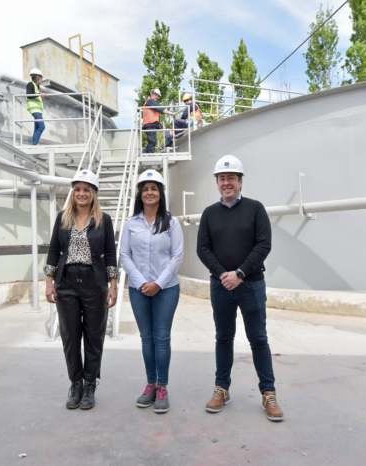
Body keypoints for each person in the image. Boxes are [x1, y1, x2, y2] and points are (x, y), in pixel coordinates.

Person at [196, 155, 284, 422]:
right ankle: (222, 389)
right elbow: (202, 248)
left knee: (258, 338)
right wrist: (224, 274)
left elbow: (263, 245)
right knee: (223, 337)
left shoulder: (256, 209)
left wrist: (241, 273)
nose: (226, 183)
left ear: (240, 181)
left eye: (231, 178)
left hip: (252, 284)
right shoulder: (210, 213)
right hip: (221, 285)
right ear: (218, 182)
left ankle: (268, 393)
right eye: (222, 179)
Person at [45, 169, 119, 410]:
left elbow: (109, 254)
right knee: (70, 336)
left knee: (94, 336)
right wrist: (49, 281)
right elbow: (54, 251)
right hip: (66, 282)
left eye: (87, 189)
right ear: (73, 192)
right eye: (77, 189)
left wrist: (114, 285)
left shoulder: (103, 220)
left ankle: (90, 383)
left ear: (94, 193)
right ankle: (75, 383)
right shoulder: (62, 218)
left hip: (94, 282)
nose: (81, 193)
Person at [120, 170, 183, 414]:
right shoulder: (131, 223)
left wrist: (158, 282)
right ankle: (151, 385)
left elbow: (177, 257)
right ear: (140, 194)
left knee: (162, 337)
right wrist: (140, 281)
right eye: (145, 188)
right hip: (138, 289)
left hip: (166, 289)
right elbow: (125, 255)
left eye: (154, 188)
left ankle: (163, 387)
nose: (149, 193)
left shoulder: (171, 222)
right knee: (146, 338)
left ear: (160, 193)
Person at [142, 88, 173, 154]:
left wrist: (160, 124)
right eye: (157, 95)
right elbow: (159, 108)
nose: (157, 97)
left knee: (152, 141)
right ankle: (150, 154)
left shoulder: (150, 102)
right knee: (152, 141)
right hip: (150, 124)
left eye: (158, 96)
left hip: (150, 124)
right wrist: (170, 113)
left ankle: (144, 152)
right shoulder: (150, 101)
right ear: (152, 94)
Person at [26, 68, 47, 145]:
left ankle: (34, 144)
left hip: (38, 111)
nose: (42, 80)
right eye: (41, 78)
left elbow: (37, 99)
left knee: (37, 128)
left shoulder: (37, 87)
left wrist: (42, 97)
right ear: (38, 77)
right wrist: (39, 94)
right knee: (42, 126)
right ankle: (35, 144)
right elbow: (29, 94)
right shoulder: (30, 84)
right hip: (34, 110)